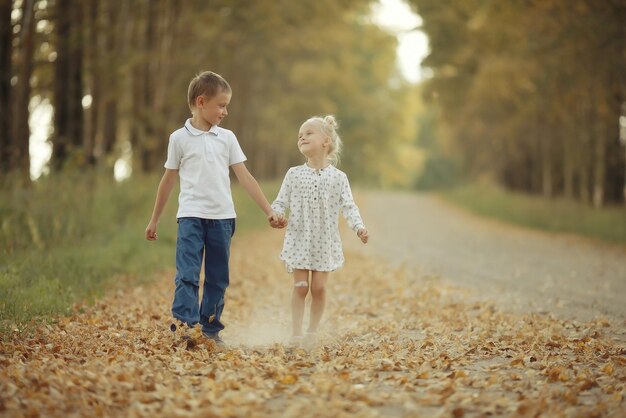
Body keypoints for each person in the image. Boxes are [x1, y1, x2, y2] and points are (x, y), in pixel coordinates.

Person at [145, 70, 282, 347]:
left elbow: (244, 176)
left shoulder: (227, 138)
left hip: (222, 219)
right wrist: (154, 220)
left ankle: (209, 330)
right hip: (191, 216)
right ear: (201, 102)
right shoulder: (178, 139)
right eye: (221, 105)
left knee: (218, 277)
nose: (225, 111)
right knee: (187, 273)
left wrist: (268, 209)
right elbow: (168, 180)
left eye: (226, 105)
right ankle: (185, 326)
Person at [270, 115, 369, 348]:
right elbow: (280, 201)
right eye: (299, 135)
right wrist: (276, 215)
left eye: (308, 133)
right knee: (301, 286)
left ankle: (312, 331)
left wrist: (359, 227)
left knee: (319, 287)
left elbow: (349, 206)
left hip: (324, 242)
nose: (302, 137)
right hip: (299, 239)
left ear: (326, 141)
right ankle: (296, 333)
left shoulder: (338, 178)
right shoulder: (293, 174)